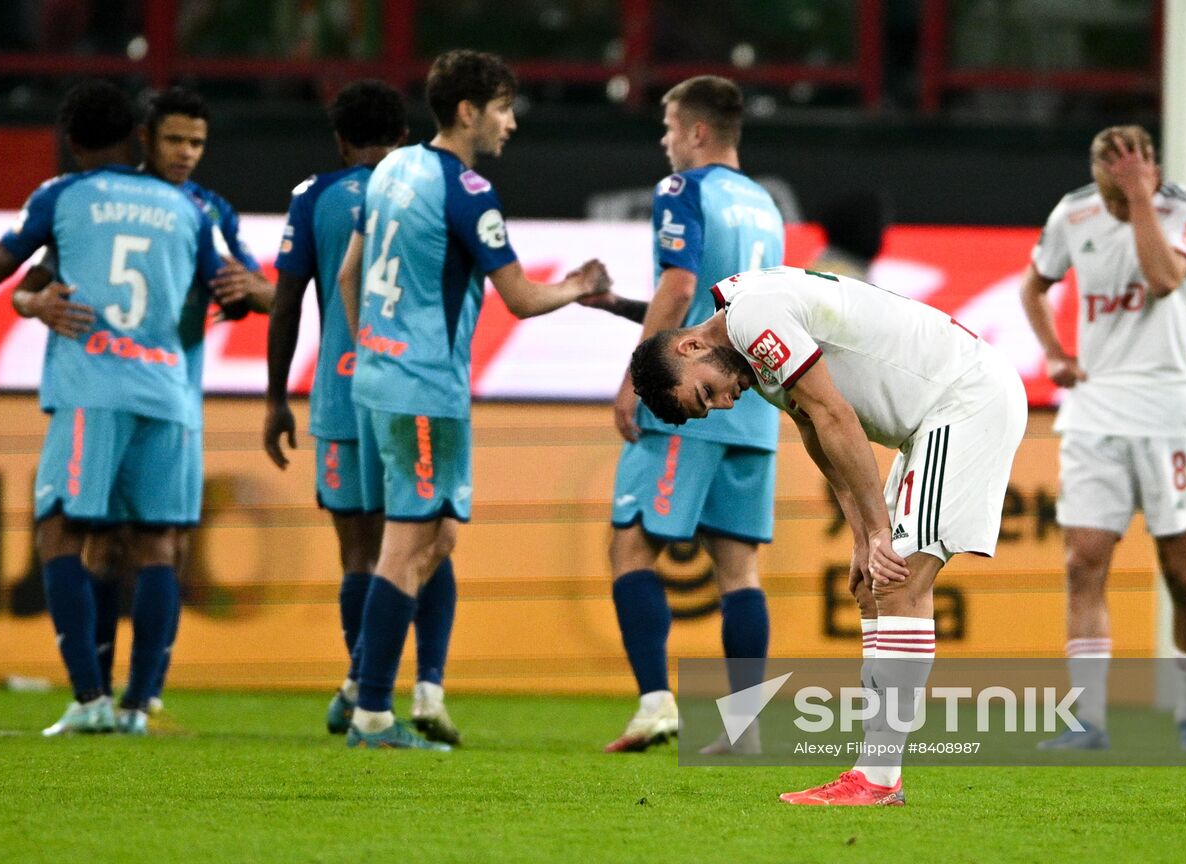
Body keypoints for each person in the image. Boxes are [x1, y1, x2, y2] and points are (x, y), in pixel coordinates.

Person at [629, 265, 1027, 805]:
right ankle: (873, 772)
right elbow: (816, 429)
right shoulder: (749, 336)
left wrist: (880, 530)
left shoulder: (753, 316)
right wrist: (864, 537)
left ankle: (879, 778)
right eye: (710, 408)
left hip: (963, 399)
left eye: (706, 393)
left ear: (693, 344)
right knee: (873, 584)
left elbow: (836, 414)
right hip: (938, 415)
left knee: (900, 580)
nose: (724, 403)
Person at [337, 50, 611, 750]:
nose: (510, 123)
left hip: (381, 377)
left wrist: (370, 343)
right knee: (406, 546)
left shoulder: (390, 168)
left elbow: (349, 272)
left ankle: (361, 686)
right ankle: (370, 710)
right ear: (469, 111)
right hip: (425, 388)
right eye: (502, 108)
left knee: (437, 537)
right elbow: (520, 297)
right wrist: (579, 286)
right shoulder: (466, 189)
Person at [11, 86, 274, 734]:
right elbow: (39, 280)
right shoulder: (161, 209)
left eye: (197, 143)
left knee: (142, 540)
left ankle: (129, 697)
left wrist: (253, 289)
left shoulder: (194, 208)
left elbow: (263, 291)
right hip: (164, 388)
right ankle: (108, 692)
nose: (186, 154)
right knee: (114, 544)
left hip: (160, 391)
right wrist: (34, 300)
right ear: (145, 140)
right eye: (175, 140)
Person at [577, 76, 784, 754]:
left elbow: (683, 285)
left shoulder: (682, 191)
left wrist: (638, 377)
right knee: (738, 568)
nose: (664, 141)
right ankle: (746, 726)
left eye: (668, 126)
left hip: (689, 400)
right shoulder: (766, 206)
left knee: (632, 544)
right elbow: (721, 312)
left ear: (697, 131)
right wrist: (620, 308)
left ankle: (656, 704)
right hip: (750, 404)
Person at [263, 80, 461, 744]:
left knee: (360, 554)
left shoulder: (314, 196)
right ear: (404, 138)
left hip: (341, 396)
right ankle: (427, 685)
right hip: (411, 387)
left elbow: (287, 300)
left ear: (341, 140)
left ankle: (360, 683)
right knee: (423, 539)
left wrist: (274, 397)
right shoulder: (426, 190)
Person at [1019, 125, 1186, 752]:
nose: (1128, 172)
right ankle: (1089, 721)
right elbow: (1034, 287)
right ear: (1095, 168)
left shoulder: (1183, 210)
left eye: (1139, 162)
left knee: (1182, 575)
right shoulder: (1071, 213)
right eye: (1115, 164)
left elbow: (1162, 280)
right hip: (1095, 410)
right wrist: (1053, 353)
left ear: (1153, 165)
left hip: (1168, 416)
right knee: (1082, 564)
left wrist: (1139, 203)